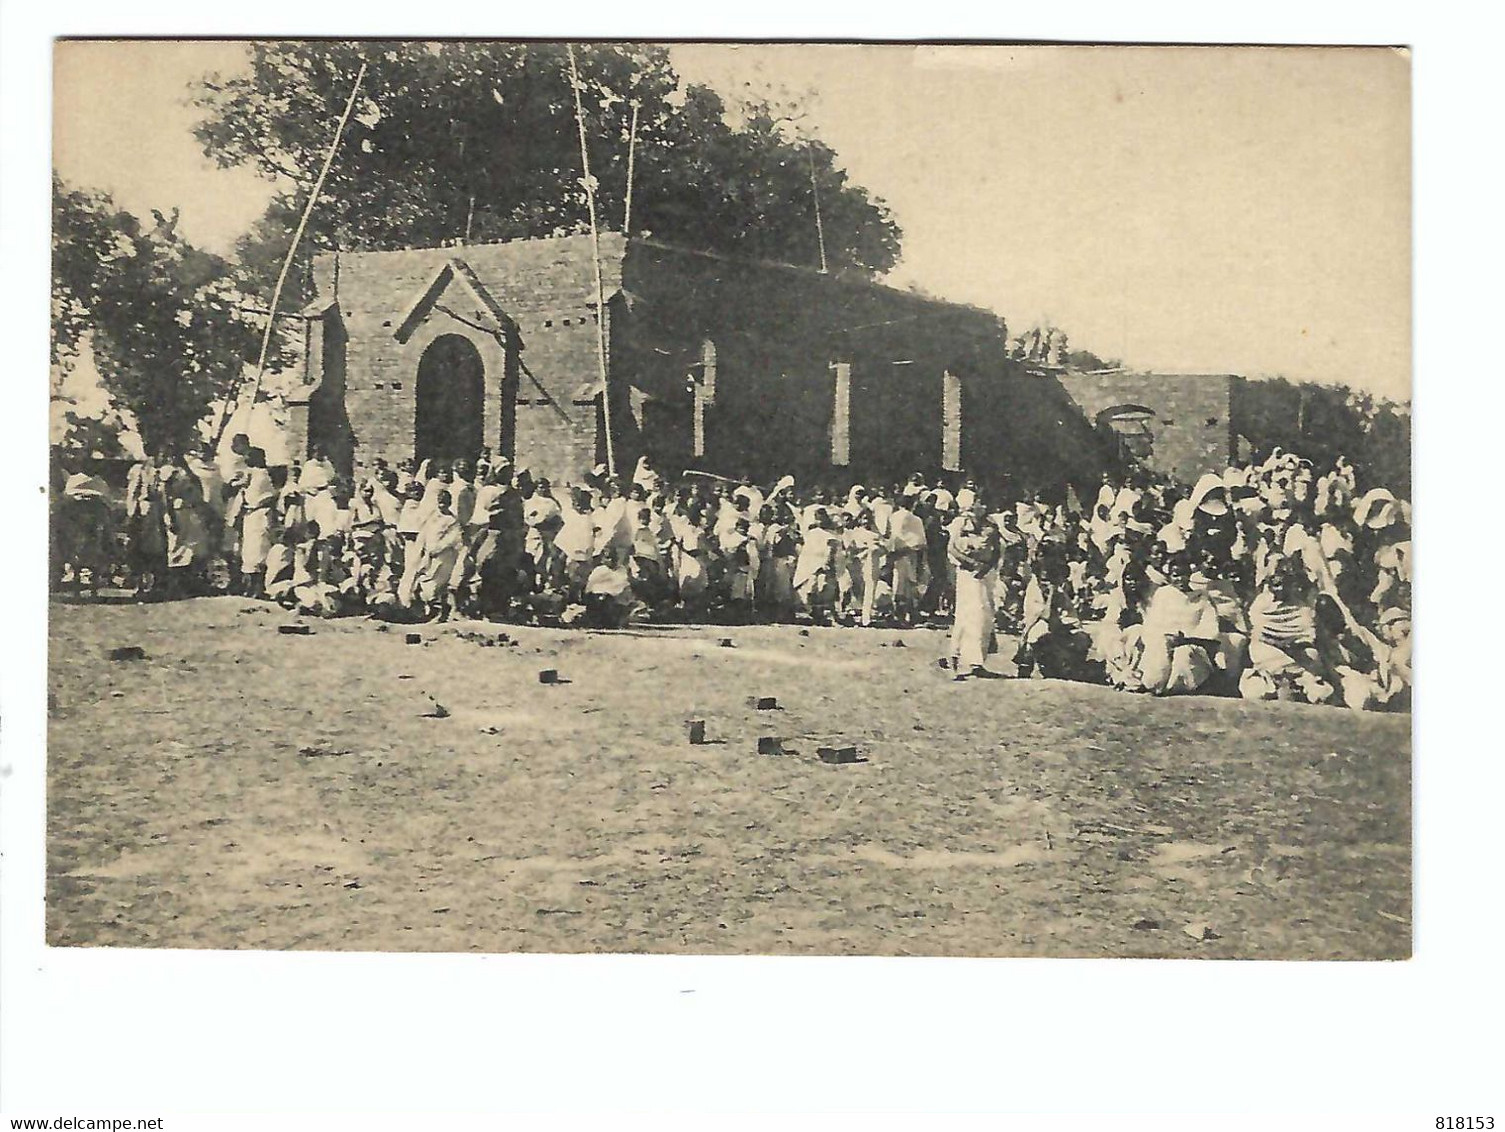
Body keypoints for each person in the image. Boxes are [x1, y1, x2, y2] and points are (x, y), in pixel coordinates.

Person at [946, 500, 1002, 679]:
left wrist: (986, 567)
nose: (982, 508)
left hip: (985, 574)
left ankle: (977, 661)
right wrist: (971, 563)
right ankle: (956, 656)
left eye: (984, 505)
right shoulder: (960, 523)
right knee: (967, 614)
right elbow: (952, 548)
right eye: (979, 504)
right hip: (966, 573)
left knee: (984, 616)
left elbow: (996, 551)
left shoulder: (992, 525)